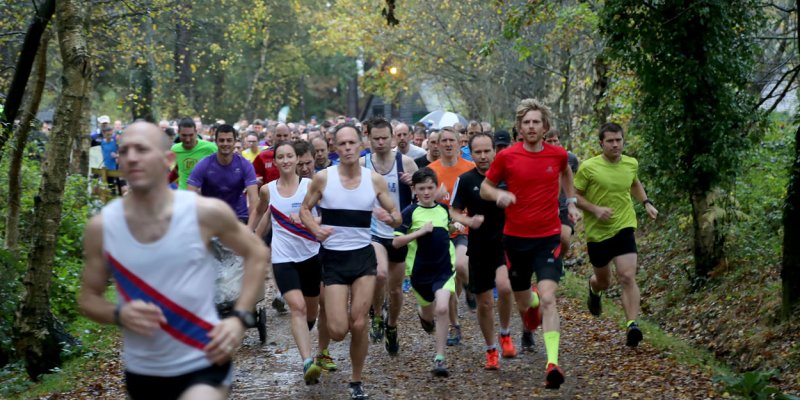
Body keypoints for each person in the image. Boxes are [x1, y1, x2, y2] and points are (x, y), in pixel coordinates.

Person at [79, 121, 268, 400]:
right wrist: (118, 314)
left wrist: (239, 318)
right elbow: (88, 298)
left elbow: (256, 253)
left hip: (204, 359)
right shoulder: (102, 227)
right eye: (125, 150)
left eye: (142, 149)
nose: (132, 157)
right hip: (143, 372)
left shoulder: (203, 213)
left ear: (168, 160)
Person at [480, 98, 580, 389]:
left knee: (550, 299)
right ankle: (531, 301)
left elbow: (566, 173)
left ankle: (552, 363)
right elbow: (486, 186)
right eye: (526, 123)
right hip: (516, 240)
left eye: (536, 122)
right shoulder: (507, 157)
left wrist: (571, 201)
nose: (532, 127)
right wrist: (497, 196)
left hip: (548, 238)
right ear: (519, 128)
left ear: (544, 126)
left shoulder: (558, 155)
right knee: (526, 303)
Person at [300, 123, 402, 400]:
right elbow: (304, 209)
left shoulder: (374, 180)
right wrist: (315, 229)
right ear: (335, 147)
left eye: (351, 143)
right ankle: (332, 334)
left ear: (361, 145)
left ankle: (356, 381)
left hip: (362, 257)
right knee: (337, 330)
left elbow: (398, 216)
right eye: (341, 144)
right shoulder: (323, 178)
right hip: (333, 259)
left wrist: (388, 217)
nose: (347, 148)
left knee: (359, 324)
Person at [574, 122, 658, 347]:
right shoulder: (589, 167)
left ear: (623, 141)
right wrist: (595, 209)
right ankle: (594, 289)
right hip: (597, 233)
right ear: (601, 143)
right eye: (610, 141)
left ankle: (632, 324)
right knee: (604, 281)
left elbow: (634, 183)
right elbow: (575, 196)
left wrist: (646, 202)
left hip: (624, 226)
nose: (615, 144)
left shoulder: (631, 163)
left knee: (627, 276)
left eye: (618, 140)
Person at [253, 141, 327, 385]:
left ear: (297, 159)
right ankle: (307, 362)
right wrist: (250, 239)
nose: (285, 161)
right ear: (275, 162)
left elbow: (325, 215)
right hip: (283, 258)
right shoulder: (267, 190)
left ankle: (307, 334)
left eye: (289, 156)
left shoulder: (310, 186)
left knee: (311, 311)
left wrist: (308, 219)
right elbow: (263, 213)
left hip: (311, 256)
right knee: (297, 307)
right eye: (280, 157)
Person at [450, 133, 517, 370]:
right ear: (471, 152)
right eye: (477, 152)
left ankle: (506, 332)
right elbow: (454, 211)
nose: (483, 156)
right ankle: (491, 349)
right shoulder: (466, 180)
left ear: (494, 151)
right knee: (485, 303)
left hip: (506, 242)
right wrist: (467, 222)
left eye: (487, 150)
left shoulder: (507, 176)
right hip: (479, 246)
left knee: (506, 287)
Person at [360, 117, 418, 354]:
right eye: (376, 138)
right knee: (379, 274)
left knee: (395, 289)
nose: (381, 142)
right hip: (372, 231)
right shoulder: (363, 164)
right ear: (369, 139)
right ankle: (376, 315)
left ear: (393, 138)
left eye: (385, 138)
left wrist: (413, 184)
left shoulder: (406, 163)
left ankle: (392, 325)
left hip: (398, 232)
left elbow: (421, 199)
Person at [392, 168, 455, 377]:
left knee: (443, 307)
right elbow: (396, 241)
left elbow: (448, 230)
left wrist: (455, 228)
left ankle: (440, 357)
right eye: (421, 188)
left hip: (444, 269)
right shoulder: (409, 212)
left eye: (430, 188)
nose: (426, 192)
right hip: (420, 273)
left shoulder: (444, 210)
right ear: (414, 190)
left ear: (436, 188)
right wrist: (420, 232)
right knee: (428, 314)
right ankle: (423, 315)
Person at [427, 127, 476, 345]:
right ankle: (455, 326)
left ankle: (471, 287)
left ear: (459, 144)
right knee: (449, 281)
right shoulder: (431, 170)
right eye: (443, 141)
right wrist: (432, 198)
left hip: (464, 229)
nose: (447, 144)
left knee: (462, 266)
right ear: (436, 145)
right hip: (439, 233)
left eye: (451, 140)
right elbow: (419, 201)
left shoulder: (470, 168)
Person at [186, 124, 259, 230]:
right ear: (216, 141)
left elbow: (254, 200)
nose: (225, 144)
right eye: (222, 140)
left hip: (238, 217)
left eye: (229, 140)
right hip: (211, 218)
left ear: (235, 141)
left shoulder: (245, 165)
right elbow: (189, 196)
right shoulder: (204, 164)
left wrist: (250, 229)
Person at [544, 130, 580, 259]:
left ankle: (559, 260)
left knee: (564, 238)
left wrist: (572, 202)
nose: (553, 144)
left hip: (564, 204)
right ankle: (548, 261)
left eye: (555, 140)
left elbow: (572, 180)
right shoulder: (539, 158)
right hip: (546, 205)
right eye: (549, 141)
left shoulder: (570, 158)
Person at [171, 118, 218, 190]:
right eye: (184, 135)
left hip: (204, 195)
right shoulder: (175, 149)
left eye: (191, 135)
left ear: (196, 132)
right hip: (183, 194)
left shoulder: (210, 148)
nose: (188, 139)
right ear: (178, 133)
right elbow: (177, 170)